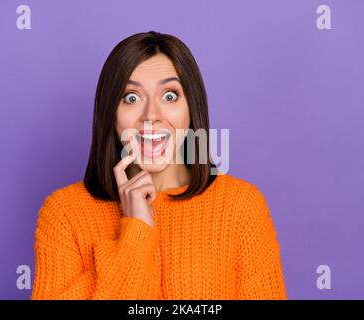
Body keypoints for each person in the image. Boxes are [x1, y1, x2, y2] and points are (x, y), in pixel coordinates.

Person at [31, 31, 287, 300]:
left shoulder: (241, 207)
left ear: (191, 109)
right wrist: (136, 231)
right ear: (111, 114)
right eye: (131, 97)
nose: (151, 116)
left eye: (169, 96)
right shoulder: (64, 214)